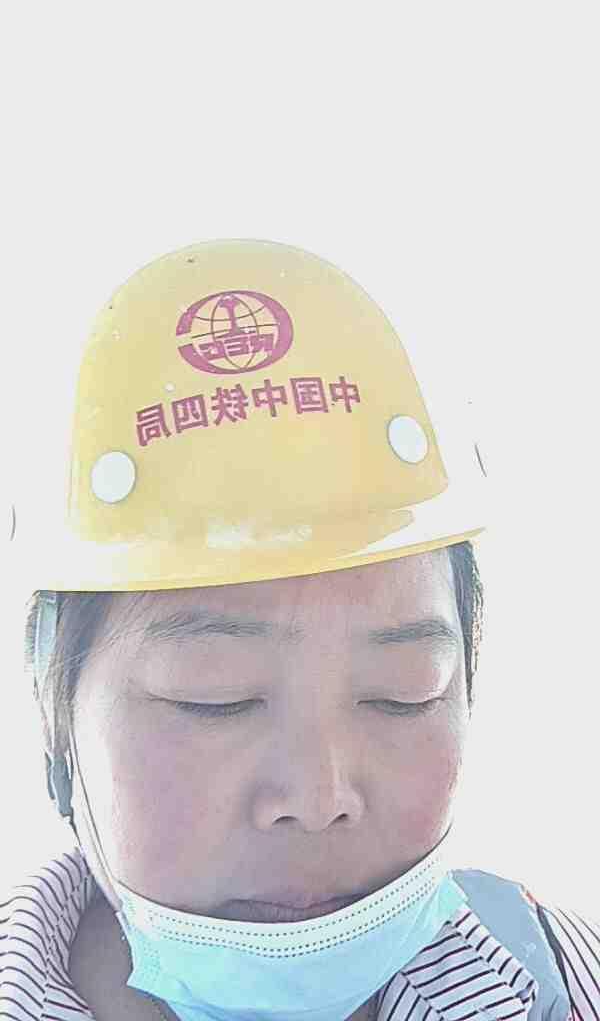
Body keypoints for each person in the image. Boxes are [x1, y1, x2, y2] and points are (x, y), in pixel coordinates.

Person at [2, 239, 598, 1021]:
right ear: (58, 716)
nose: (318, 798)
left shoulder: (564, 979)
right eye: (215, 699)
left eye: (403, 694)